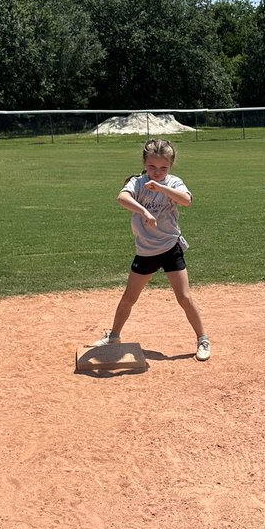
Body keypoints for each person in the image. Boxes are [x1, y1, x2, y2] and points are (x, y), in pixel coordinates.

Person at [95, 137, 210, 361]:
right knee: (129, 297)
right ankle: (114, 336)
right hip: (145, 251)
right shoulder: (138, 183)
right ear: (144, 163)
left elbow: (187, 200)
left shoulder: (174, 182)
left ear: (171, 165)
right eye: (152, 167)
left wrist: (161, 187)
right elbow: (122, 197)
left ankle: (202, 339)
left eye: (163, 167)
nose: (157, 171)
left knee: (184, 297)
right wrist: (144, 212)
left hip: (169, 248)